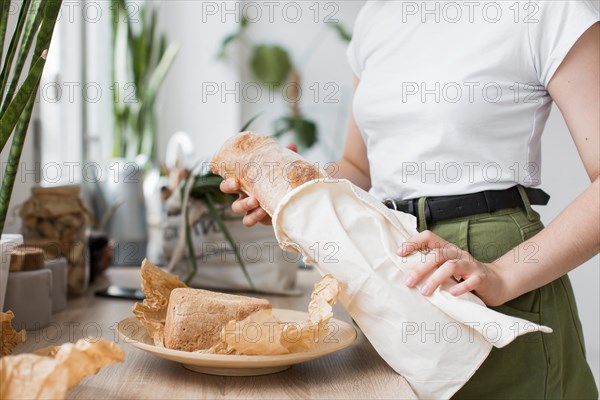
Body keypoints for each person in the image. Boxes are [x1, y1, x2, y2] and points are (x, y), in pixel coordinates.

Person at [220, 1, 599, 398]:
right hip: (388, 268)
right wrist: (292, 193)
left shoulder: (548, 9)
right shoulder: (377, 17)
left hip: (490, 268)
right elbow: (359, 166)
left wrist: (503, 275)